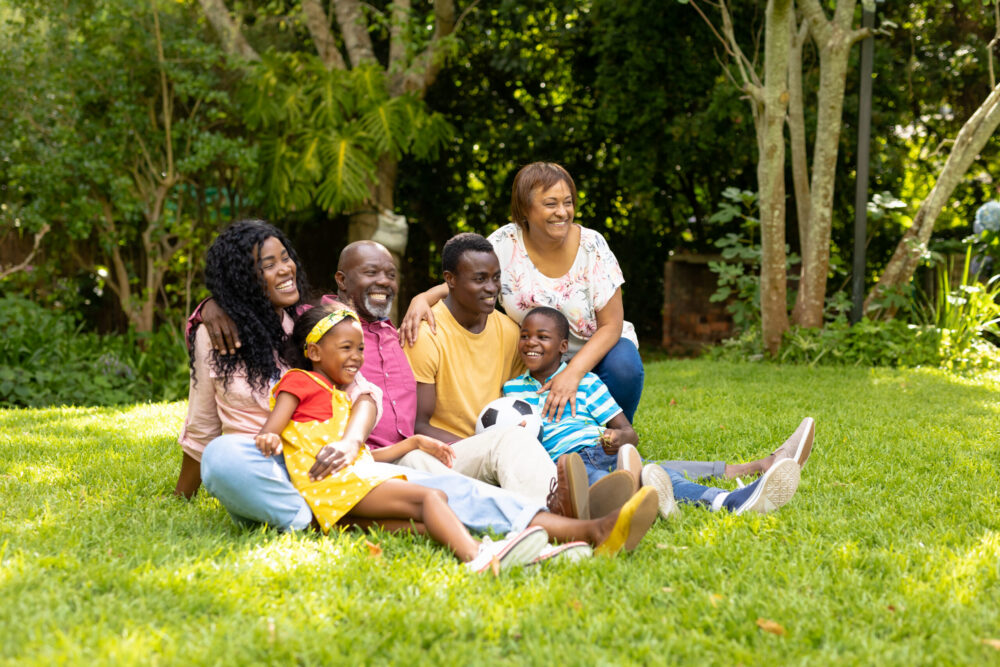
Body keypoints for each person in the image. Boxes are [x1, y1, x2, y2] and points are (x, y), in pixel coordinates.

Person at [177, 219, 659, 560]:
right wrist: (212, 306)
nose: (285, 269)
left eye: (286, 258)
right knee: (225, 455)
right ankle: (315, 516)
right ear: (242, 276)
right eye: (268, 264)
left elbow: (362, 389)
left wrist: (350, 444)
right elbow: (202, 424)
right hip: (273, 465)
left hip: (342, 460)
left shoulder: (306, 321)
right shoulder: (215, 332)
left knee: (444, 489)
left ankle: (587, 529)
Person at [255, 304, 549, 572]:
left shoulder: (340, 399)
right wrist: (269, 438)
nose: (356, 357)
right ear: (315, 352)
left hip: (334, 496)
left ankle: (510, 554)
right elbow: (272, 427)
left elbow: (360, 456)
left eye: (360, 349)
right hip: (336, 487)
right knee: (431, 497)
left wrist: (413, 442)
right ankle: (476, 557)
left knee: (421, 525)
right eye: (346, 348)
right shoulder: (300, 380)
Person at [503, 307, 810, 519]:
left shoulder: (587, 383)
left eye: (542, 337)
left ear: (563, 346)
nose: (531, 343)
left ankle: (725, 500)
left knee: (659, 473)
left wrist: (617, 439)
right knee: (606, 482)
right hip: (566, 462)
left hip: (602, 449)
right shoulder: (512, 391)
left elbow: (629, 434)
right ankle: (647, 499)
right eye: (525, 336)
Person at [401, 162, 643, 424]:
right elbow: (468, 280)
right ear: (525, 209)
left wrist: (571, 373)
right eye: (551, 204)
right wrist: (422, 298)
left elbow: (611, 325)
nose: (562, 212)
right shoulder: (504, 244)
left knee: (625, 368)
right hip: (534, 353)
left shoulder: (592, 245)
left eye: (568, 202)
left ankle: (615, 437)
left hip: (597, 349)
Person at [402, 233, 559, 507]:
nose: (491, 288)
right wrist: (487, 444)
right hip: (447, 451)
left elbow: (524, 394)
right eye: (479, 279)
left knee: (521, 444)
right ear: (449, 279)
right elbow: (418, 424)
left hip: (502, 445)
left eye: (496, 278)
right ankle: (550, 512)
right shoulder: (426, 336)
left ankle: (565, 497)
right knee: (509, 444)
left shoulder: (510, 332)